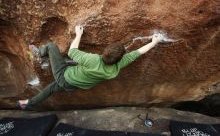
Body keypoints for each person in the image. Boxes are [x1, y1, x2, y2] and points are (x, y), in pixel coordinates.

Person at [18, 25, 162, 109]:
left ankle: (41, 54)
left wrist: (79, 34)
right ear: (119, 59)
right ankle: (28, 103)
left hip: (64, 75)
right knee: (50, 89)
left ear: (105, 51)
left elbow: (72, 51)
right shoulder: (116, 68)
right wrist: (154, 42)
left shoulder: (93, 59)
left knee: (51, 46)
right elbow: (137, 53)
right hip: (74, 86)